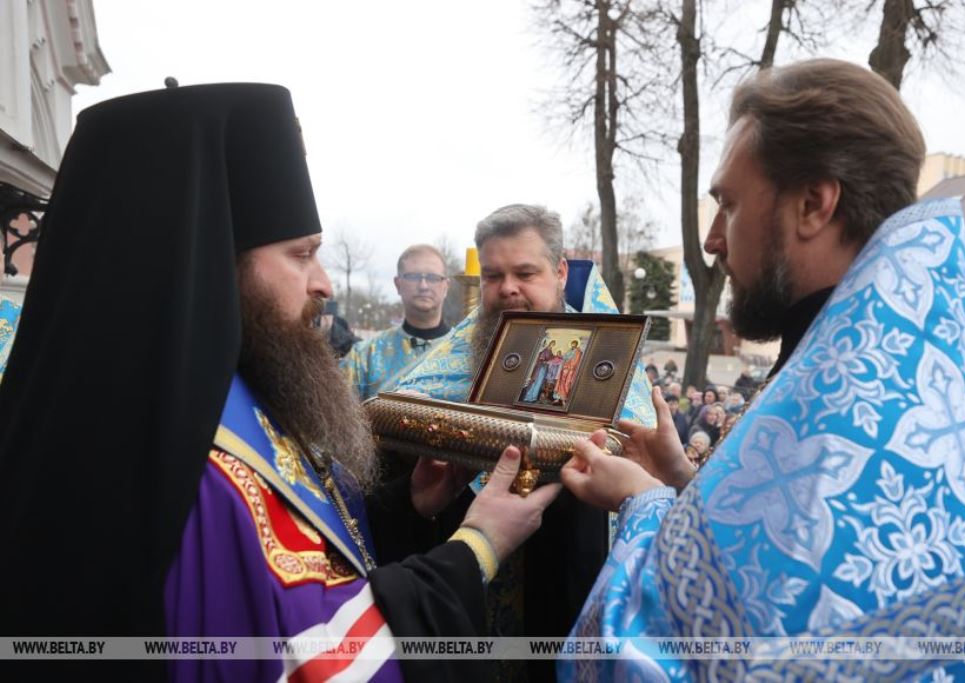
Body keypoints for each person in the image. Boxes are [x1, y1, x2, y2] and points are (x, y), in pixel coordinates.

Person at [0, 84, 561, 681]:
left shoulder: (227, 394)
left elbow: (313, 548)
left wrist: (404, 509)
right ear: (212, 262)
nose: (323, 283)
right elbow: (318, 663)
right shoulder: (202, 471)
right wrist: (477, 545)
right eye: (301, 255)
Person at [559, 59, 965, 681]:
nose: (714, 239)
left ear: (813, 205)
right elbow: (782, 587)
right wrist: (688, 487)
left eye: (730, 204)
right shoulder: (876, 366)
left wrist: (645, 505)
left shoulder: (852, 405)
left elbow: (680, 663)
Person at [393, 203, 655, 682]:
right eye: (493, 275)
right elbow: (395, 418)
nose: (507, 288)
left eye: (524, 272)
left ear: (559, 272)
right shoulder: (453, 354)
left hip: (567, 575)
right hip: (470, 594)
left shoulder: (607, 352)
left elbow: (634, 455)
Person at [341, 244, 451, 399]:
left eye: (433, 278)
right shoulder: (364, 357)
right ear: (398, 284)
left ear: (446, 286)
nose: (423, 286)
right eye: (413, 276)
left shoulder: (466, 353)